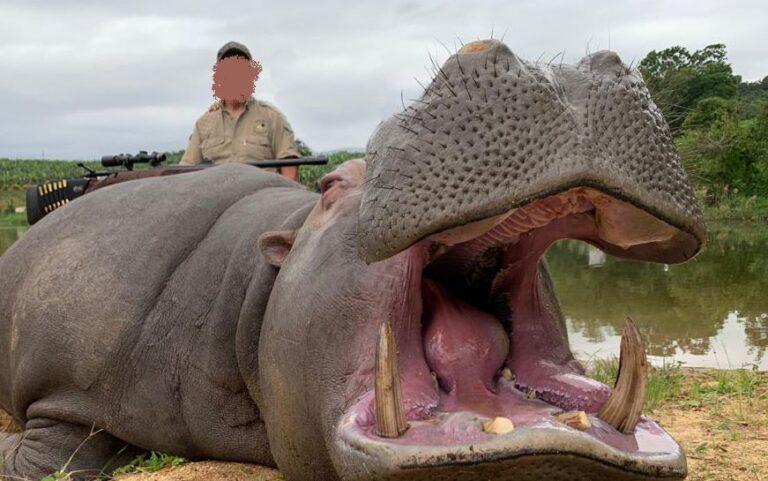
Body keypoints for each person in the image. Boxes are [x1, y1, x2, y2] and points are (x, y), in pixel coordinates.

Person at [180, 41, 300, 181]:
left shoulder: (272, 118)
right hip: (216, 193)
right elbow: (185, 172)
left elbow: (290, 173)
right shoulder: (203, 124)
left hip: (261, 192)